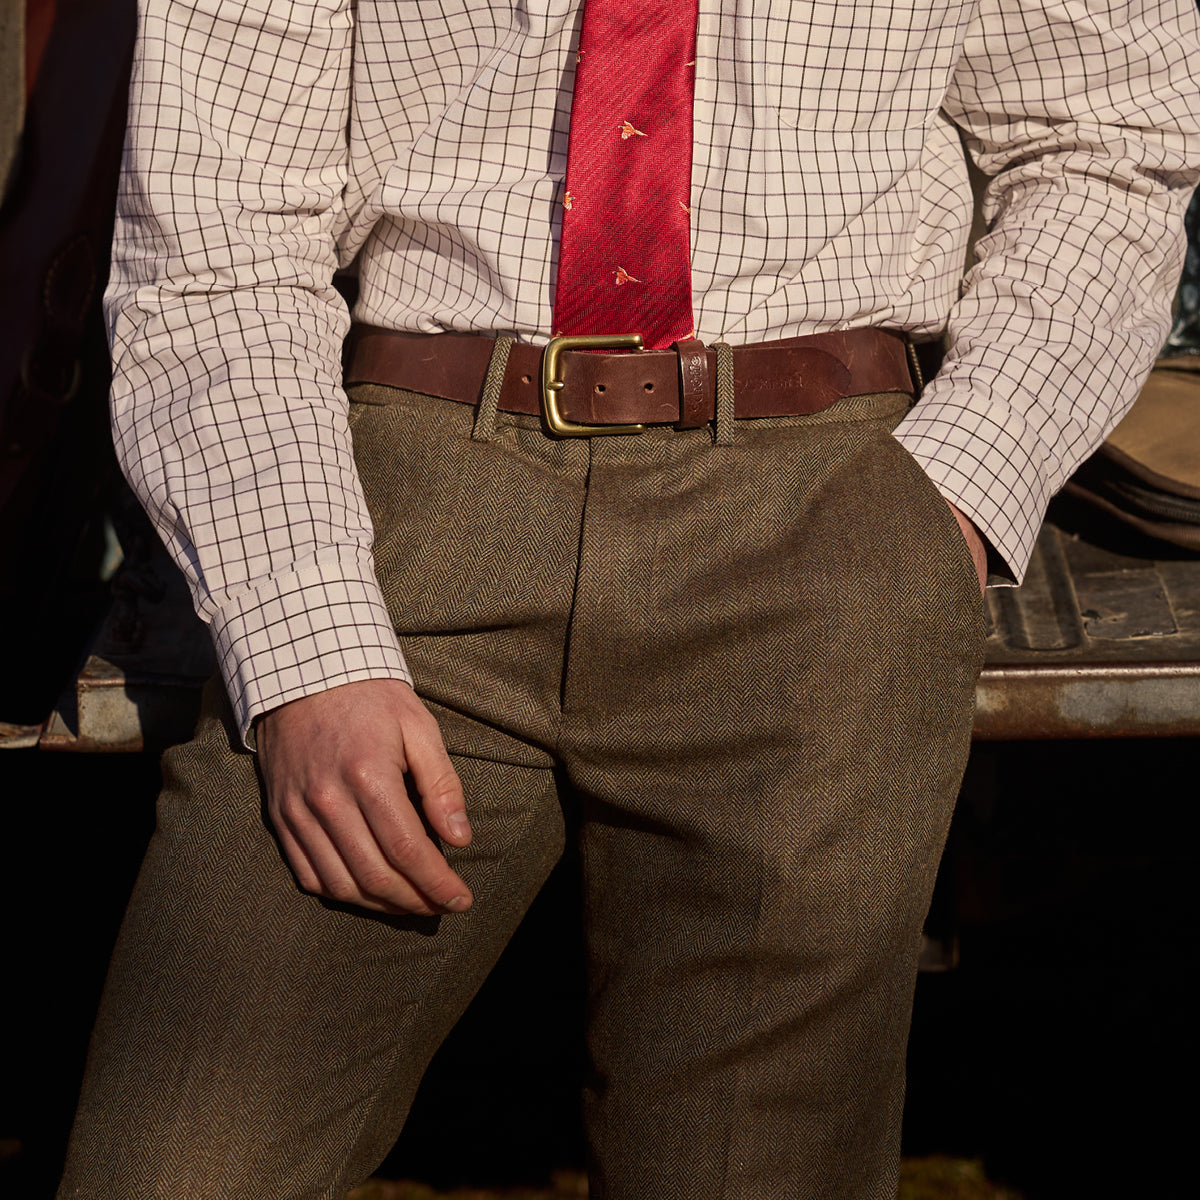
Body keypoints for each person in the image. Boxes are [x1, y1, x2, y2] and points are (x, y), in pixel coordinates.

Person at [58, 1, 1200, 1197]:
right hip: (401, 516)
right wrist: (308, 645)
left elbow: (1109, 138)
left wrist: (951, 497)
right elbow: (218, 237)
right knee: (175, 1167)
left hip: (822, 504)